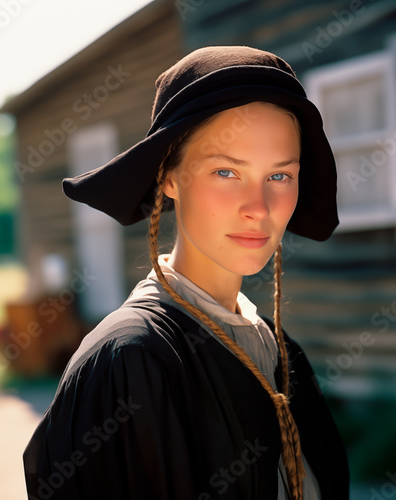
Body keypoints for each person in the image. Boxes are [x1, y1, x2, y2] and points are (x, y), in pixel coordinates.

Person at [23, 45, 349, 500]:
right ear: (169, 177)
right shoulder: (130, 361)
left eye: (279, 176)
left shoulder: (280, 352)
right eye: (226, 172)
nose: (259, 208)